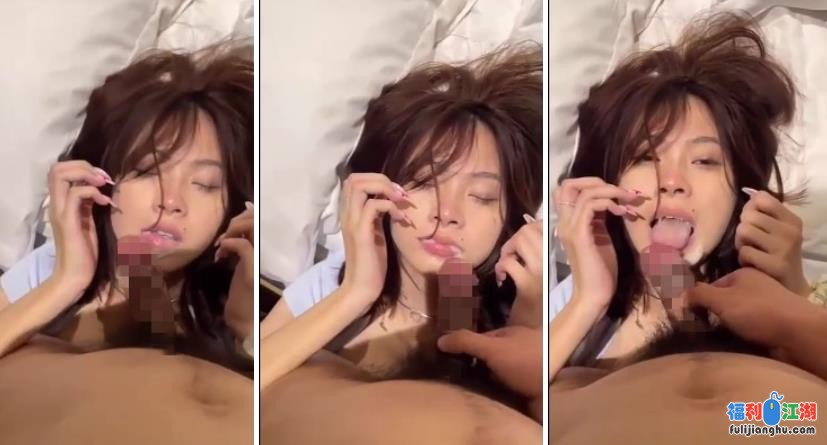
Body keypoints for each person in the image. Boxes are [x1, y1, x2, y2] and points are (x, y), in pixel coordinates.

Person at [261, 45, 544, 443]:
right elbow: (243, 390)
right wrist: (355, 293)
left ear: (511, 217)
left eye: (481, 196)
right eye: (425, 183)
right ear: (382, 188)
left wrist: (529, 324)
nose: (447, 213)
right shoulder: (330, 284)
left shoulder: (528, 310)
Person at [0, 42, 254, 444]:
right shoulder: (50, 271)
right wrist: (66, 281)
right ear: (102, 179)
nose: (170, 200)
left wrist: (246, 329)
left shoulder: (236, 293)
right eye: (147, 171)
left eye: (205, 184)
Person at [549, 13, 814, 379]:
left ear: (740, 192)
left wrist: (798, 299)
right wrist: (587, 300)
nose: (672, 181)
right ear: (610, 184)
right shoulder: (576, 295)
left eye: (704, 160)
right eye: (645, 157)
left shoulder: (770, 304)